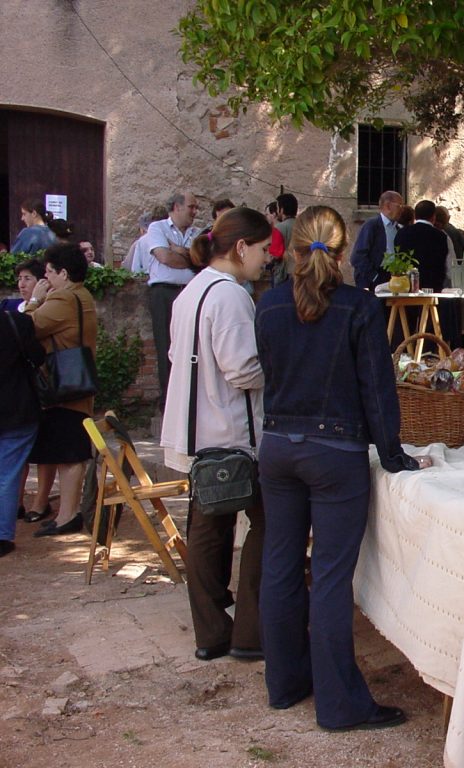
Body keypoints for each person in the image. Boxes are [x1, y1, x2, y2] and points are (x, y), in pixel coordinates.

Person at [255, 205, 427, 731]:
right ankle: (338, 705)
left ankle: (285, 683)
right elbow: (377, 388)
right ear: (344, 250)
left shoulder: (268, 304)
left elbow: (273, 374)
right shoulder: (358, 306)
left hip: (278, 445)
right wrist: (393, 454)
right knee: (330, 578)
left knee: (281, 566)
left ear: (293, 248)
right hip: (334, 453)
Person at [160, 207, 272, 662]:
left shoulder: (190, 291)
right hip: (232, 433)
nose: (267, 258)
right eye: (262, 249)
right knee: (268, 524)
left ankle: (211, 632)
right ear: (241, 247)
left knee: (208, 528)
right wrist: (282, 367)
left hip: (198, 431)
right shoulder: (230, 295)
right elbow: (243, 369)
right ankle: (250, 631)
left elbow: (177, 355)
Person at [23, 244, 98, 536]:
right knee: (69, 450)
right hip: (75, 379)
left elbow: (28, 327)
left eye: (49, 272)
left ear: (63, 273)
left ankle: (68, 514)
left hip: (64, 384)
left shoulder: (64, 297)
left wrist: (34, 300)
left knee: (70, 452)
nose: (46, 279)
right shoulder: (81, 295)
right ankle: (68, 512)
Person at [146, 192, 202, 410]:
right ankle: (169, 403)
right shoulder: (157, 228)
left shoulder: (198, 233)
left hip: (190, 291)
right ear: (177, 207)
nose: (195, 211)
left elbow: (202, 261)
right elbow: (164, 257)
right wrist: (189, 257)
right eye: (191, 207)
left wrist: (178, 250)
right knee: (165, 346)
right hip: (164, 292)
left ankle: (190, 399)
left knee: (193, 346)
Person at [0, 308, 45, 555]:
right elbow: (37, 357)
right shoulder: (16, 321)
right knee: (7, 475)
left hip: (17, 411)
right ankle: (2, 536)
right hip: (17, 408)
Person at [394, 200, 453, 293]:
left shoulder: (401, 233)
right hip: (433, 288)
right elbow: (450, 266)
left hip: (407, 288)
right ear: (433, 217)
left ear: (415, 215)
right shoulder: (441, 236)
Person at [350, 191, 404, 290]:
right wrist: (374, 276)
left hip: (392, 276)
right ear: (388, 206)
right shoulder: (372, 225)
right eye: (399, 206)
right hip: (373, 277)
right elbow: (357, 257)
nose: (402, 210)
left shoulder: (398, 228)